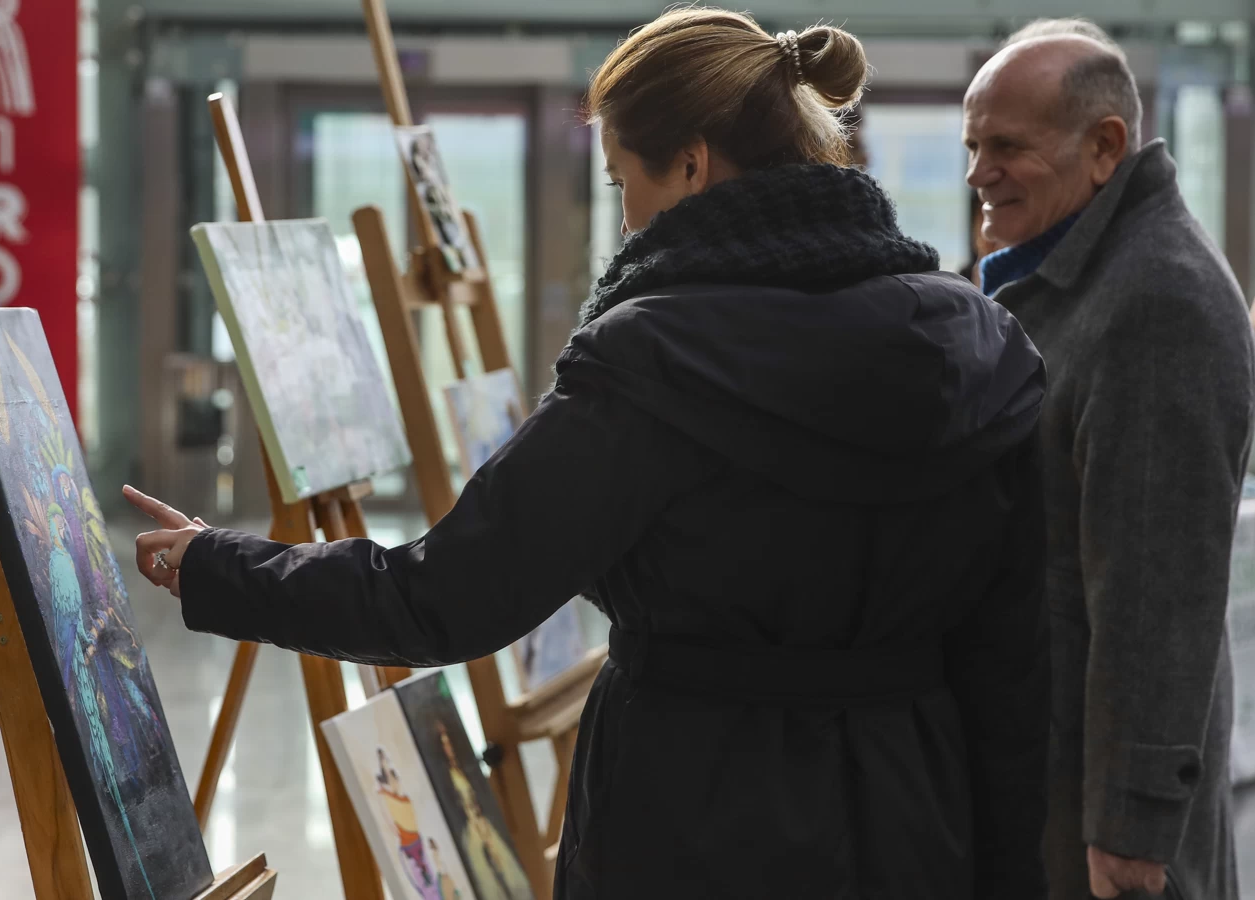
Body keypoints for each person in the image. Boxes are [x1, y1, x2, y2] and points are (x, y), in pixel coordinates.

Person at [128, 10, 1050, 898]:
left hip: (690, 812)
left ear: (689, 167)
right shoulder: (976, 339)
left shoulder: (653, 357)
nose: (623, 220)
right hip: (915, 809)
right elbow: (1013, 655)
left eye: (620, 184)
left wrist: (221, 564)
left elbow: (443, 597)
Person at [963, 20, 1255, 900]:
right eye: (973, 145)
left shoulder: (1153, 301)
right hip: (1052, 778)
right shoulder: (1078, 277)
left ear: (1103, 147)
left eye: (1006, 146)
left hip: (1103, 837)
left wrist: (1128, 828)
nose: (978, 171)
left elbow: (1155, 592)